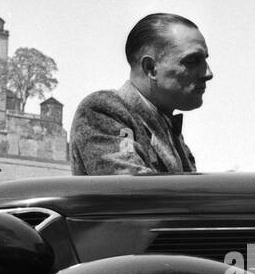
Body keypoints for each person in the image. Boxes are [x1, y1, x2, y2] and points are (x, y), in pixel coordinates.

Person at [70, 13, 210, 175]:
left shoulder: (170, 131)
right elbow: (133, 192)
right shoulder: (103, 111)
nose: (208, 73)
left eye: (205, 60)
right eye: (192, 61)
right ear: (150, 68)